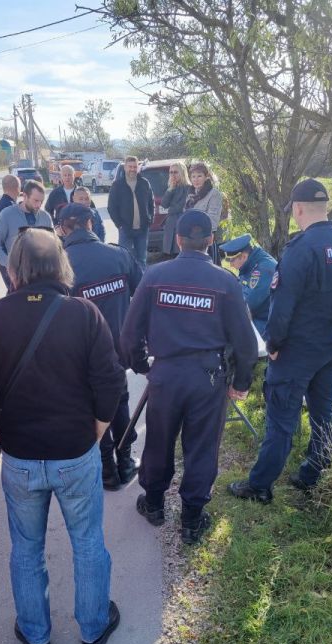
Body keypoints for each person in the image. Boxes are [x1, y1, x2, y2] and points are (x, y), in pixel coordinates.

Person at [0, 228, 126, 644]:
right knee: (87, 541)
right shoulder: (84, 314)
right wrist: (96, 428)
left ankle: (35, 634)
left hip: (20, 455)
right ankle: (92, 627)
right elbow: (110, 380)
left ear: (14, 269)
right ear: (60, 266)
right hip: (74, 450)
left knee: (26, 547)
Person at [119, 210, 258, 544]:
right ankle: (192, 521)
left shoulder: (154, 275)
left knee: (159, 440)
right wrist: (241, 382)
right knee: (202, 447)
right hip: (208, 379)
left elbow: (128, 334)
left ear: (178, 239)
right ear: (210, 240)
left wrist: (142, 367)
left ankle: (153, 505)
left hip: (165, 375)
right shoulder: (225, 282)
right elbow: (245, 340)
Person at [228, 179, 332, 504]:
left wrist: (273, 345)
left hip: (298, 351)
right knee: (323, 410)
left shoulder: (300, 249)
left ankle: (259, 486)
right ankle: (312, 472)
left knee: (281, 419)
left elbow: (282, 307)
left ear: (299, 209)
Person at [60, 203, 143, 489]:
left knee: (92, 408)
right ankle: (126, 461)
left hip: (82, 356)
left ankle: (107, 470)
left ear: (62, 230)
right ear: (91, 224)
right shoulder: (118, 255)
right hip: (117, 351)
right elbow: (142, 295)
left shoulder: (60, 264)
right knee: (119, 403)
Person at [0, 179, 53, 290]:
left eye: (41, 201)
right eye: (36, 200)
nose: (39, 205)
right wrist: (9, 264)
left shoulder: (45, 217)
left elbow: (54, 245)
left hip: (43, 278)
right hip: (18, 279)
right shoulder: (7, 215)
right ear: (25, 196)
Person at [219, 233, 277, 337]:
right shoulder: (251, 264)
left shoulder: (263, 270)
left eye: (231, 260)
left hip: (266, 325)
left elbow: (245, 304)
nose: (230, 264)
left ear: (243, 256)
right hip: (258, 319)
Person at [107, 155, 154, 267]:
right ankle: (127, 282)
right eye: (130, 167)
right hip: (125, 229)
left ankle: (141, 282)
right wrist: (119, 224)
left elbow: (151, 204)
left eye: (134, 166)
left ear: (137, 167)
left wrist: (150, 220)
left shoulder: (144, 183)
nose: (132, 169)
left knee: (141, 259)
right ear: (125, 167)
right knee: (125, 258)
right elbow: (111, 207)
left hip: (142, 229)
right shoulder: (117, 185)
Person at [185, 162, 224, 248]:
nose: (196, 179)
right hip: (190, 239)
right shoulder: (190, 194)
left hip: (206, 240)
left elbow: (213, 220)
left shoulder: (214, 193)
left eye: (199, 176)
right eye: (193, 176)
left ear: (206, 177)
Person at [159, 161, 189, 258]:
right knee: (169, 255)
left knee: (181, 254)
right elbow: (164, 204)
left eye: (175, 172)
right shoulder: (171, 188)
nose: (173, 175)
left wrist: (171, 209)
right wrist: (170, 189)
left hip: (182, 223)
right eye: (171, 172)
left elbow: (182, 206)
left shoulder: (189, 188)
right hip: (171, 224)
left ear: (182, 172)